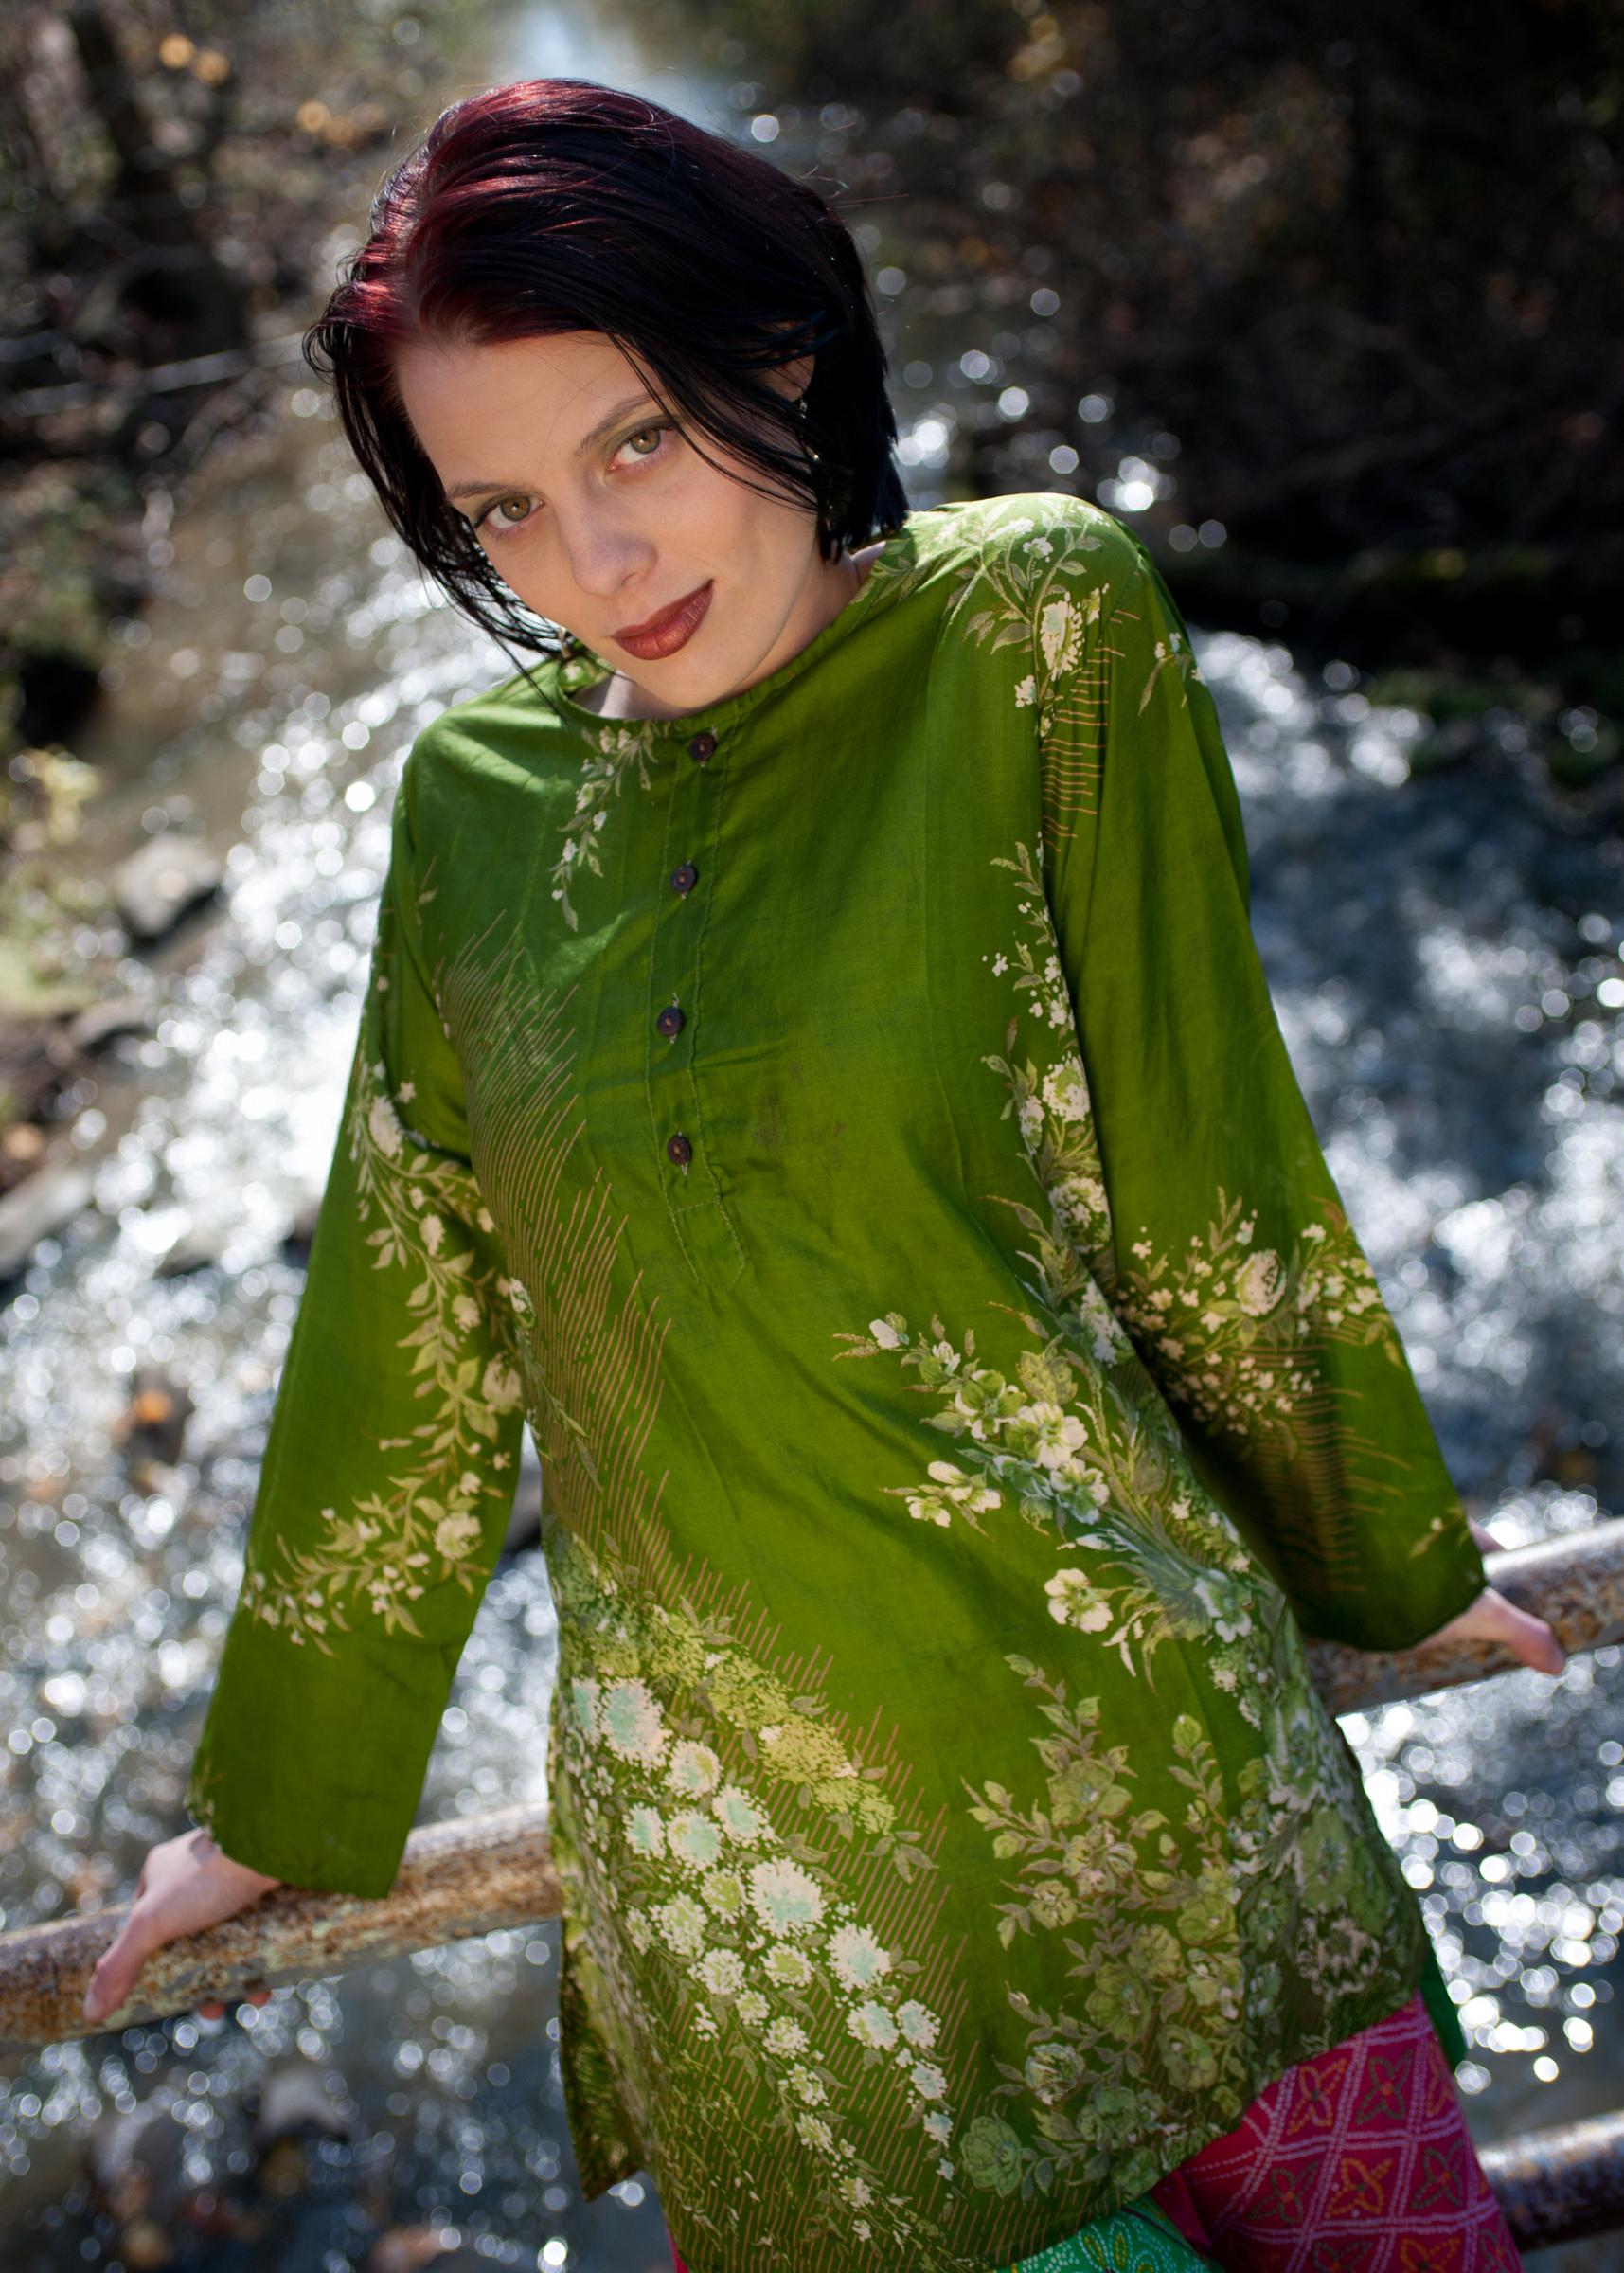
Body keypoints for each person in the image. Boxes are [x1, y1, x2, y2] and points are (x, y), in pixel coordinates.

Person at [82, 77, 1562, 2273]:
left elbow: (1207, 1159)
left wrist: (1392, 1566)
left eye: (638, 443)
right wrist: (282, 1804)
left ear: (780, 357)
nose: (594, 566)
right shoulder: (473, 807)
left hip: (1169, 1809)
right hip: (780, 1946)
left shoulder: (1030, 626)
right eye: (503, 510)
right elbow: (413, 1316)